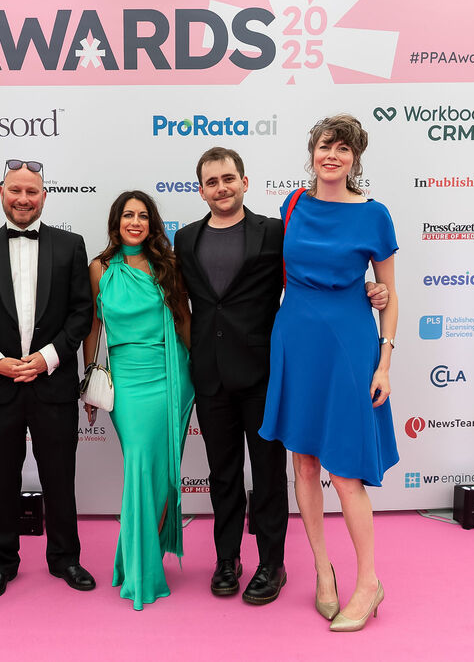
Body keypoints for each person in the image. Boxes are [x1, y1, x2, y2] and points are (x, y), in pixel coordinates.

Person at [175, 147, 388, 606]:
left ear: (245, 182)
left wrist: (369, 287)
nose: (221, 188)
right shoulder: (186, 238)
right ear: (201, 190)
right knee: (222, 474)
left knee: (270, 474)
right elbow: (181, 302)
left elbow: (317, 271)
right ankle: (227, 559)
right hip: (210, 373)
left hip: (266, 372)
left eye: (228, 178)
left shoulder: (277, 230)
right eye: (211, 182)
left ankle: (272, 564)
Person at [259, 115, 399, 632]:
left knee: (345, 472)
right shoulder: (293, 204)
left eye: (343, 148)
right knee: (303, 465)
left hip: (348, 345)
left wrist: (385, 362)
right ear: (312, 152)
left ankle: (368, 583)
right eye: (325, 146)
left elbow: (389, 294)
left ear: (355, 158)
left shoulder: (374, 215)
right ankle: (323, 570)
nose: (332, 155)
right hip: (296, 341)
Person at [0, 159, 95, 600]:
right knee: (1, 481)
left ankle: (66, 558)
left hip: (52, 384)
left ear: (44, 195)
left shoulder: (71, 245)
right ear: (2, 192)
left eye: (31, 191)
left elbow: (81, 313)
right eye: (15, 190)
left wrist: (47, 358)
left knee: (60, 477)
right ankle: (1, 563)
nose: (23, 199)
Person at [82, 190, 195, 611]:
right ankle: (140, 567)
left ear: (152, 224)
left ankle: (140, 561)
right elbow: (94, 326)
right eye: (128, 215)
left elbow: (183, 319)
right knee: (141, 466)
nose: (135, 222)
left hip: (171, 374)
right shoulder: (100, 268)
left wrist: (199, 372)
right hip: (127, 381)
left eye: (143, 216)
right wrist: (89, 379)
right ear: (116, 222)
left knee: (162, 474)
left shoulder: (167, 265)